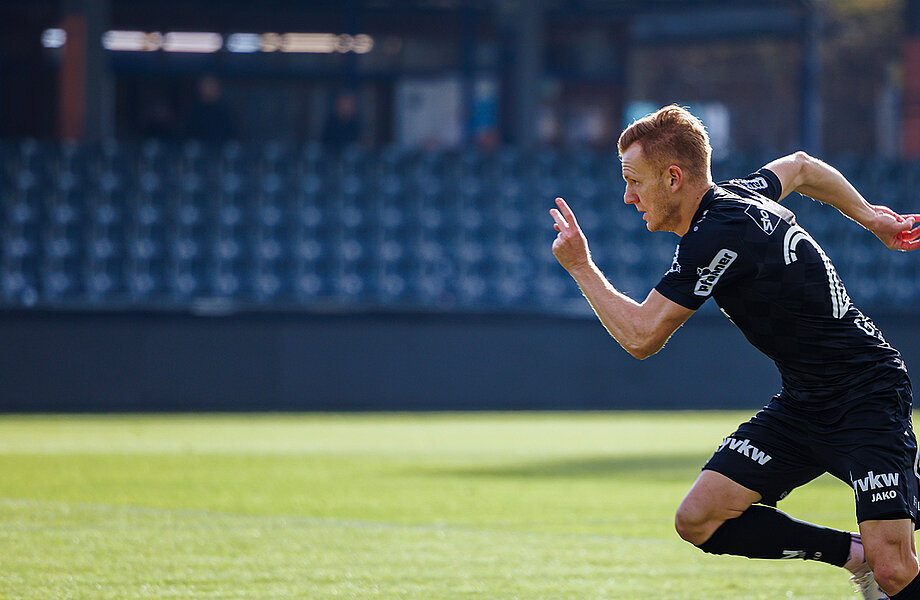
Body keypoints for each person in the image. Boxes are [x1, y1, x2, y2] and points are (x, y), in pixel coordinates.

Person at [549, 104, 920, 599]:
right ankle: (855, 556)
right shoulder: (740, 196)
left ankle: (878, 551)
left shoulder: (715, 236)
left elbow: (642, 337)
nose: (628, 196)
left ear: (674, 178)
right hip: (805, 403)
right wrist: (872, 218)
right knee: (699, 519)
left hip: (866, 397)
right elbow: (803, 166)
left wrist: (580, 267)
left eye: (635, 181)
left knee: (895, 571)